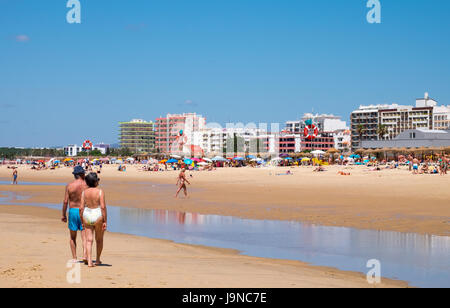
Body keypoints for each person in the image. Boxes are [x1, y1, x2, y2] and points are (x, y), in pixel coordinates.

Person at [80, 172, 107, 267]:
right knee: (99, 239)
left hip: (87, 213)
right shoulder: (100, 191)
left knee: (89, 240)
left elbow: (81, 208)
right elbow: (103, 207)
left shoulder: (84, 192)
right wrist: (105, 220)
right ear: (95, 182)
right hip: (97, 214)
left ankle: (90, 261)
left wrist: (81, 220)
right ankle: (98, 259)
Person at [62, 166, 88, 263]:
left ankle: (74, 257)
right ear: (82, 174)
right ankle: (85, 255)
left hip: (73, 211)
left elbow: (65, 201)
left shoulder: (69, 186)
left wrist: (63, 214)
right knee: (84, 235)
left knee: (72, 237)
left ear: (75, 175)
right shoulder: (87, 185)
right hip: (84, 211)